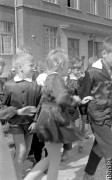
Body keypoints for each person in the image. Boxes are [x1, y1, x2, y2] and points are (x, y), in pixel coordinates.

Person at [24, 48, 83, 180]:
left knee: (51, 158)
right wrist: (75, 100)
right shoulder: (56, 78)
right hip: (53, 120)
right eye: (67, 65)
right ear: (60, 64)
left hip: (47, 119)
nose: (67, 68)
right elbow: (62, 99)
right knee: (54, 160)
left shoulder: (50, 77)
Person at [78, 37, 112, 180]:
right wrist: (85, 116)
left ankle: (88, 174)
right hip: (97, 116)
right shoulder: (92, 72)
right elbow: (83, 95)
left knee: (99, 147)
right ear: (104, 53)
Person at [0, 52, 41, 180]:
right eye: (30, 65)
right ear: (19, 68)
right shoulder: (8, 85)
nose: (33, 68)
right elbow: (2, 107)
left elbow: (40, 106)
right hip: (16, 123)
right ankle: (17, 176)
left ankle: (13, 170)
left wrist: (36, 121)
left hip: (30, 125)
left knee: (26, 150)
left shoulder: (36, 86)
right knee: (22, 150)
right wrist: (16, 112)